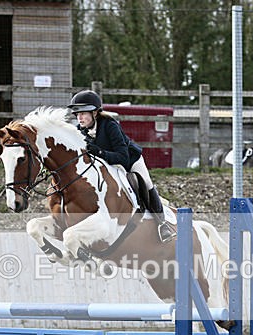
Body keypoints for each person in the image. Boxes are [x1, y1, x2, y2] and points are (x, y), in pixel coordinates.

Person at [67, 90, 176, 243]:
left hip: (130, 160)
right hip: (105, 165)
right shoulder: (80, 130)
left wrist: (99, 152)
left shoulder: (110, 126)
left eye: (83, 113)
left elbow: (122, 158)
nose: (79, 118)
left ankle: (162, 224)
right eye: (77, 114)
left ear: (95, 113)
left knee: (146, 182)